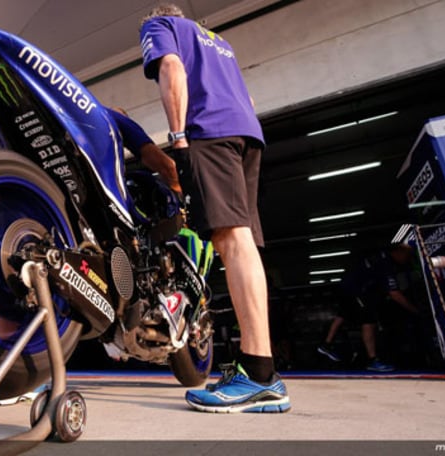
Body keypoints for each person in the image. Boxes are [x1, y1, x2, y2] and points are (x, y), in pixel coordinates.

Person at [139, 3, 289, 413]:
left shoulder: (160, 25)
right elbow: (248, 95)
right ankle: (257, 369)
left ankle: (260, 375)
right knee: (239, 243)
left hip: (211, 131)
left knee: (231, 240)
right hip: (245, 134)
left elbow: (171, 66)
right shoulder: (219, 42)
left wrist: (179, 136)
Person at [317, 243, 420, 372]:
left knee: (342, 314)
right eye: (407, 256)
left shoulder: (378, 256)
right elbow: (394, 294)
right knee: (369, 320)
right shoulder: (385, 263)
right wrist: (415, 311)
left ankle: (326, 345)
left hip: (346, 287)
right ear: (399, 252)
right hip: (357, 290)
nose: (407, 259)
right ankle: (372, 360)